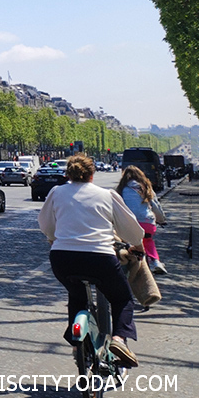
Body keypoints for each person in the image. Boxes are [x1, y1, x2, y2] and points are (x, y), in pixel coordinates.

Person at [39, 153, 145, 368]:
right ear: (92, 174)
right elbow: (132, 230)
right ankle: (119, 340)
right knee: (121, 298)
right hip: (100, 258)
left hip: (63, 258)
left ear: (68, 174)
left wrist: (53, 238)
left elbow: (45, 224)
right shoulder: (107, 195)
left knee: (76, 293)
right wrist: (136, 245)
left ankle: (77, 343)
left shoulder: (57, 192)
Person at [118, 166, 169, 275]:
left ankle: (129, 266)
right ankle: (156, 262)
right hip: (147, 221)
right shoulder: (145, 188)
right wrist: (161, 219)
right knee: (148, 240)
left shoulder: (121, 189)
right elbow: (155, 206)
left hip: (130, 222)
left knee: (129, 243)